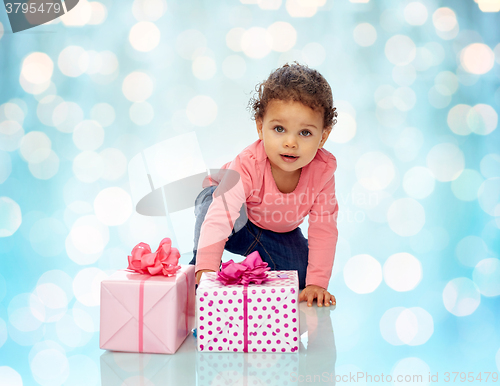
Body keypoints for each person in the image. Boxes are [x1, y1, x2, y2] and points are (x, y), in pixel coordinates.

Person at [189, 62, 339, 307]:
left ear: (323, 135)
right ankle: (199, 270)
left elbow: (324, 228)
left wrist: (317, 284)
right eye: (279, 129)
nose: (290, 142)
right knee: (213, 201)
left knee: (301, 277)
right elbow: (220, 216)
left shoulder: (322, 172)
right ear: (260, 127)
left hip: (276, 231)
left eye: (305, 133)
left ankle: (247, 271)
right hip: (237, 221)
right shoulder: (248, 164)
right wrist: (205, 270)